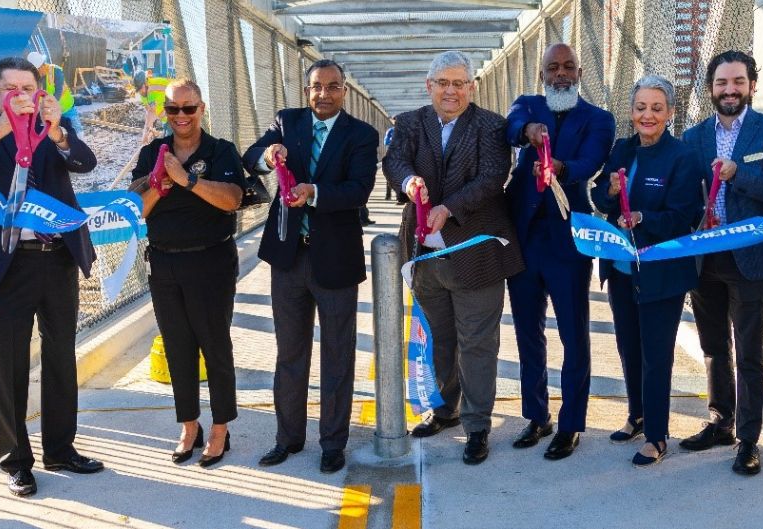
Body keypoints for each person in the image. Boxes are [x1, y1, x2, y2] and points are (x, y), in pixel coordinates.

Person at [0, 56, 104, 497]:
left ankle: (61, 448)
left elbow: (85, 163)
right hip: (2, 262)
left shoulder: (56, 123)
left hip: (56, 258)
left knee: (60, 354)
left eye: (28, 88)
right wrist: (1, 127)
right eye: (11, 88)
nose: (21, 96)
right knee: (7, 363)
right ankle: (16, 461)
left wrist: (57, 131)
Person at [384, 50, 522, 465]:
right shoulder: (409, 123)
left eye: (459, 83)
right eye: (443, 83)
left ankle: (477, 425)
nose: (451, 90)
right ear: (429, 87)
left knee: (477, 342)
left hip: (475, 251)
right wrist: (408, 181)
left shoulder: (491, 126)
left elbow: (492, 177)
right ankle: (445, 410)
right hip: (426, 252)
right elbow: (394, 161)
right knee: (438, 336)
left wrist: (449, 208)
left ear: (471, 87)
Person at [242, 59, 378, 474]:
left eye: (333, 86)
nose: (324, 94)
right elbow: (250, 158)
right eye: (317, 86)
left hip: (335, 259)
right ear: (307, 90)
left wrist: (314, 192)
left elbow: (358, 189)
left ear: (344, 91)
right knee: (290, 352)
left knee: (338, 353)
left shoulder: (362, 134)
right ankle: (288, 438)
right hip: (288, 257)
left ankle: (333, 442)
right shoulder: (287, 122)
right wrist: (268, 155)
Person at [678, 50, 763, 475]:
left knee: (748, 351)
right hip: (705, 258)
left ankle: (748, 439)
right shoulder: (692, 137)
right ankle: (720, 421)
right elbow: (684, 193)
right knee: (713, 348)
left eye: (738, 82)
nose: (730, 90)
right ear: (711, 88)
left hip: (749, 257)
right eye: (722, 83)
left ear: (751, 85)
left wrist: (735, 174)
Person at [503, 42, 615, 460]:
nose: (561, 73)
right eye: (554, 68)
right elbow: (511, 125)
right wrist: (529, 133)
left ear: (580, 73)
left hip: (568, 242)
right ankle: (537, 416)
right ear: (543, 73)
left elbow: (590, 162)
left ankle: (570, 424)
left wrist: (560, 169)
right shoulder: (527, 106)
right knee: (527, 332)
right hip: (526, 238)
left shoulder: (599, 119)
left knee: (573, 334)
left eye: (569, 67)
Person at [130, 79, 245, 468]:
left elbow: (232, 199)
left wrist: (188, 181)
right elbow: (137, 210)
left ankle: (220, 428)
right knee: (178, 346)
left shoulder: (221, 151)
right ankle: (189, 426)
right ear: (165, 111)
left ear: (201, 109)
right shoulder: (152, 154)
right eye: (173, 109)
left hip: (210, 261)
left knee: (214, 346)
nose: (181, 116)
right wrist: (159, 187)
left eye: (189, 108)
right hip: (164, 261)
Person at [590, 74, 703, 468]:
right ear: (632, 111)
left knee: (656, 355)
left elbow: (683, 215)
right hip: (622, 267)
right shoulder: (622, 149)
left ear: (670, 113)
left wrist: (642, 217)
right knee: (628, 347)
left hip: (661, 272)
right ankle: (636, 417)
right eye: (641, 108)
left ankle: (657, 435)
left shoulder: (682, 156)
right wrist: (605, 192)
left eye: (657, 108)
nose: (648, 115)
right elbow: (599, 194)